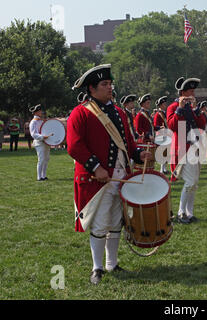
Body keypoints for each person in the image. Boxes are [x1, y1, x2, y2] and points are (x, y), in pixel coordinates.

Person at [67, 64, 151, 285]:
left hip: (120, 176)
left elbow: (127, 142)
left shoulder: (118, 111)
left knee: (116, 222)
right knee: (101, 223)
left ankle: (112, 264)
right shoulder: (81, 113)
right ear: (92, 89)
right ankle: (97, 267)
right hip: (98, 179)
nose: (109, 87)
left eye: (110, 83)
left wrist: (138, 154)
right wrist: (96, 167)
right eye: (104, 84)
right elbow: (74, 146)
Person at [166, 77, 207, 224]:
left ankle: (189, 213)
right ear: (183, 92)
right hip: (183, 148)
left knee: (194, 183)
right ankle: (181, 212)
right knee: (190, 182)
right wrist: (179, 109)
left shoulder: (191, 107)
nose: (193, 93)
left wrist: (196, 110)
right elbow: (172, 125)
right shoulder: (173, 107)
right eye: (190, 91)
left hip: (194, 147)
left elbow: (202, 125)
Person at [29, 105, 51, 180]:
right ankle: (39, 177)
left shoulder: (42, 121)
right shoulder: (33, 122)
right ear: (35, 112)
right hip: (39, 142)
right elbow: (33, 134)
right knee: (41, 159)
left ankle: (43, 176)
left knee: (46, 159)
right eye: (39, 111)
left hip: (46, 142)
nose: (41, 112)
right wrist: (42, 137)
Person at [154, 96, 169, 174]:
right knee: (162, 152)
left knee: (166, 152)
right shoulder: (158, 114)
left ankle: (165, 169)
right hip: (161, 135)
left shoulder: (164, 113)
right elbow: (156, 125)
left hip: (166, 134)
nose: (165, 105)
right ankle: (161, 169)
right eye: (163, 104)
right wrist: (161, 127)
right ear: (160, 105)